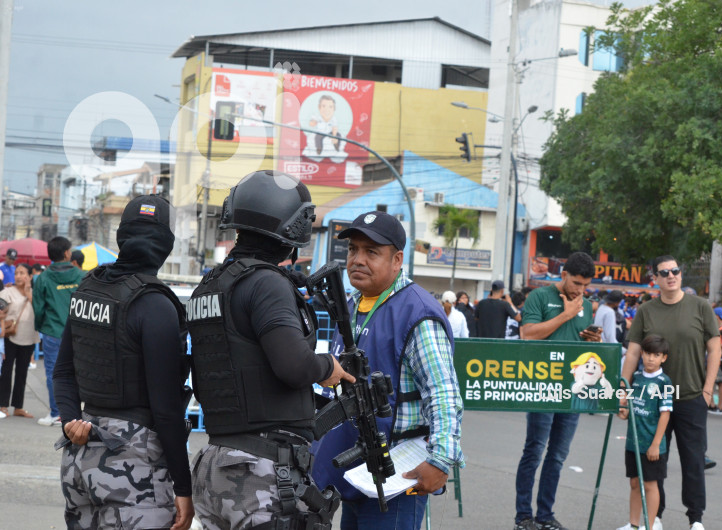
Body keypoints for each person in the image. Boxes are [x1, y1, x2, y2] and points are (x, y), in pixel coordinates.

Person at [188, 171, 352, 529]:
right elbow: (293, 365)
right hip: (257, 472)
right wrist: (329, 366)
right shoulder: (266, 284)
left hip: (215, 464)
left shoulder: (212, 285)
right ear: (292, 229)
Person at [312, 210, 464, 530]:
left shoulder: (417, 312)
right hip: (355, 476)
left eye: (371, 252)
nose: (357, 259)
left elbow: (444, 393)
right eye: (353, 249)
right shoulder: (352, 305)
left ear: (397, 260)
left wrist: (440, 461)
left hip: (397, 481)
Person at [53, 195, 194, 530]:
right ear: (167, 243)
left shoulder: (89, 288)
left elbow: (62, 372)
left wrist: (72, 422)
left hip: (80, 456)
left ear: (121, 236)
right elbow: (166, 409)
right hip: (134, 463)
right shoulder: (155, 304)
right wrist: (184, 488)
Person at [622, 255, 720, 530]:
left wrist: (708, 389)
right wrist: (624, 388)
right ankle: (656, 517)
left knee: (693, 460)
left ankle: (696, 519)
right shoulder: (646, 310)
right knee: (654, 459)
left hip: (690, 396)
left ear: (680, 274)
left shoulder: (700, 307)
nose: (671, 276)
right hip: (651, 402)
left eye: (675, 270)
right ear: (655, 279)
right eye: (664, 273)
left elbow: (715, 348)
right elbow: (632, 352)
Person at [514, 251, 602, 530]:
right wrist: (565, 315)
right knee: (535, 450)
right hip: (543, 385)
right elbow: (528, 334)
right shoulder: (539, 297)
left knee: (558, 455)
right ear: (563, 275)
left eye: (586, 286)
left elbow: (582, 346)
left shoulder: (586, 305)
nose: (580, 290)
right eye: (576, 283)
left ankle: (546, 515)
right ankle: (523, 517)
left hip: (573, 389)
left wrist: (592, 339)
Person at [617, 335, 673, 530]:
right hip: (633, 442)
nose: (651, 358)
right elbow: (630, 409)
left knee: (650, 485)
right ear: (641, 354)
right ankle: (633, 524)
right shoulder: (636, 378)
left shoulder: (664, 382)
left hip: (652, 444)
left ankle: (649, 525)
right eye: (648, 354)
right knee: (634, 482)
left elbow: (665, 415)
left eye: (656, 355)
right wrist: (623, 412)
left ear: (663, 358)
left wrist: (656, 444)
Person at [33, 236, 83, 427]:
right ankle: (76, 413)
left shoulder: (43, 278)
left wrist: (40, 326)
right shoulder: (80, 275)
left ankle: (56, 412)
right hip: (78, 332)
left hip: (53, 331)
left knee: (55, 374)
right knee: (78, 372)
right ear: (66, 253)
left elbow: (38, 308)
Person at [0, 264, 36, 419]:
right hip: (11, 337)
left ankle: (18, 407)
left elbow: (39, 309)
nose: (18, 276)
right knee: (6, 371)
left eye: (22, 273)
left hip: (29, 337)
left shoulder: (34, 293)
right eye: (16, 273)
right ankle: (2, 405)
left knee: (22, 372)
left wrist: (28, 292)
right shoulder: (7, 291)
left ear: (29, 276)